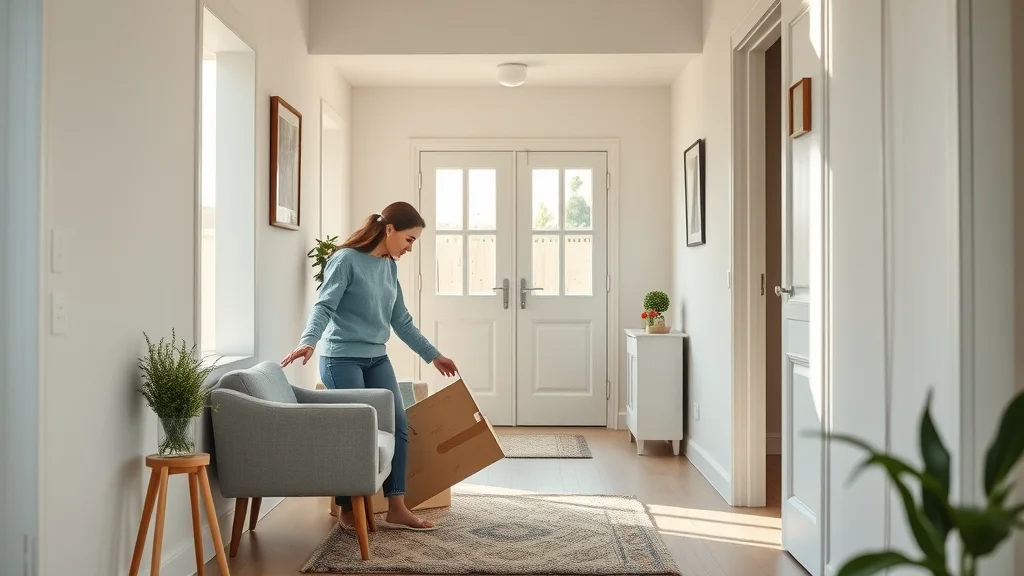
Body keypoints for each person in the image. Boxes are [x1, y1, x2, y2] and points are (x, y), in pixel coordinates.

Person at [281, 201, 458, 531]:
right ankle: (347, 507)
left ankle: (396, 506)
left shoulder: (389, 266)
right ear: (389, 230)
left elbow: (400, 321)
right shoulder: (345, 260)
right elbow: (324, 307)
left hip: (376, 357)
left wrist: (434, 355)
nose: (409, 248)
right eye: (409, 240)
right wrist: (308, 341)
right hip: (341, 358)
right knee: (356, 427)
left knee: (399, 422)